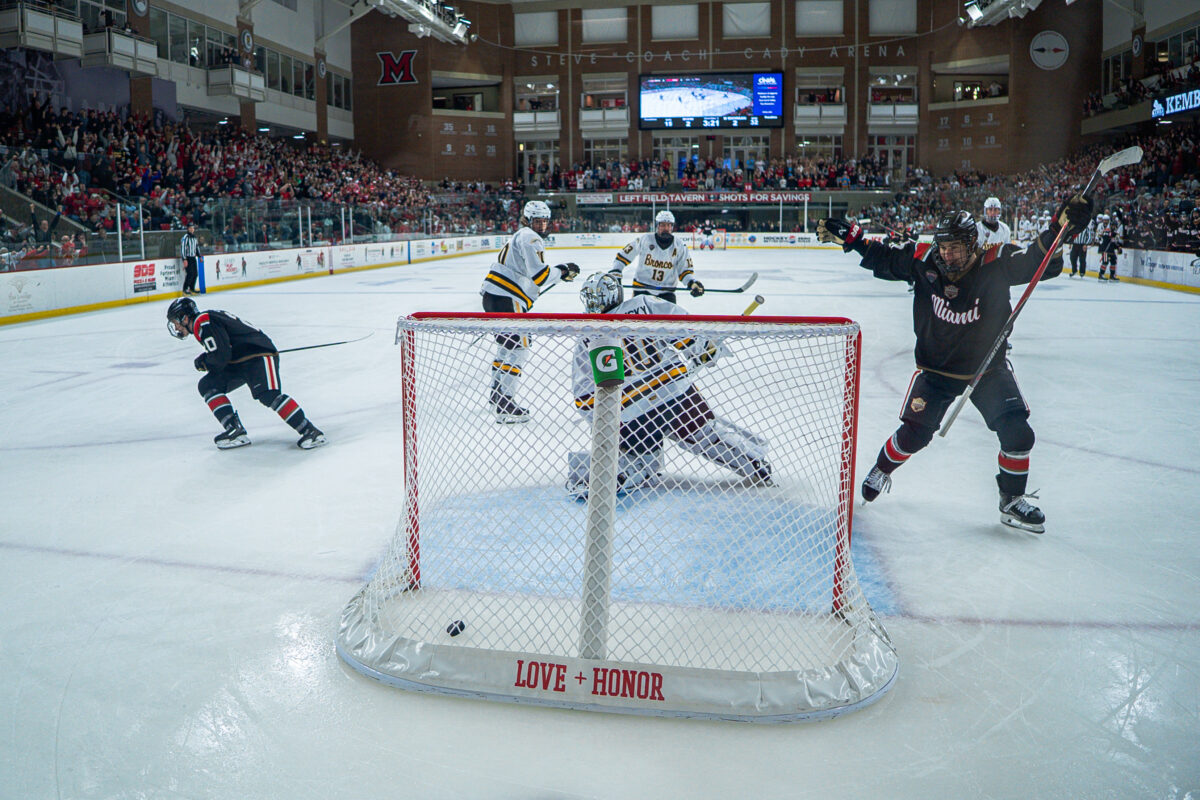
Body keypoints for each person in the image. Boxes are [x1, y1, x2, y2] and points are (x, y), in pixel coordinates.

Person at [817, 197, 1093, 534]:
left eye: (956, 249)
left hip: (986, 371)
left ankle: (1011, 501)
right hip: (937, 371)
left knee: (1018, 433)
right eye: (943, 248)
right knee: (914, 435)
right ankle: (882, 468)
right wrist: (854, 239)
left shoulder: (996, 262)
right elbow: (886, 259)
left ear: (973, 245)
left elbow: (1038, 262)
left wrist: (1059, 231)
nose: (948, 256)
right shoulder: (925, 260)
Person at [565, 272, 772, 499]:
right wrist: (703, 348)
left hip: (631, 415)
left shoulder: (587, 335)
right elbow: (682, 328)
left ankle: (627, 470)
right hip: (676, 395)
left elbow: (584, 396)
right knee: (707, 436)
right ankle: (755, 464)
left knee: (637, 461)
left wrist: (606, 428)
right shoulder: (643, 304)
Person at [166, 297, 326, 450]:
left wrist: (205, 362)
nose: (176, 327)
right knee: (208, 385)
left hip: (258, 356)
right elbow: (222, 351)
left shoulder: (203, 321)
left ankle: (311, 432)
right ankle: (235, 431)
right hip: (242, 361)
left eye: (175, 322)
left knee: (269, 395)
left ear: (184, 318)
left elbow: (221, 357)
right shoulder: (204, 322)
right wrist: (206, 359)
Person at [479, 200, 579, 422]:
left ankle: (497, 394)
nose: (542, 225)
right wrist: (563, 271)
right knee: (518, 348)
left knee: (506, 348)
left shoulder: (520, 235)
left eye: (544, 221)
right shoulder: (530, 238)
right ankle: (505, 405)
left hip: (493, 296)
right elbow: (540, 276)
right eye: (538, 221)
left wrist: (559, 273)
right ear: (527, 219)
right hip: (507, 298)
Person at [608, 210, 702, 304]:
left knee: (669, 319)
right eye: (663, 225)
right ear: (657, 225)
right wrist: (616, 270)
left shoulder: (680, 245)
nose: (666, 228)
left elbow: (685, 271)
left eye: (669, 225)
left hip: (666, 292)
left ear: (672, 227)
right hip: (642, 289)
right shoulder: (645, 239)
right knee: (638, 319)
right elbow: (623, 256)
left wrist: (692, 283)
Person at [1096, 212, 1121, 281]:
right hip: (1105, 249)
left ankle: (1112, 275)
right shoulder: (1107, 230)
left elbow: (1115, 242)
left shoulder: (1115, 233)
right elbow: (1106, 236)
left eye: (1115, 226)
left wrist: (1118, 247)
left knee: (1113, 261)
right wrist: (1112, 235)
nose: (1114, 227)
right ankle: (1101, 274)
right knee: (1105, 261)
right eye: (1113, 225)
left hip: (1111, 250)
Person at [180, 223, 201, 295]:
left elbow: (196, 247)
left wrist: (199, 256)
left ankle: (192, 289)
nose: (192, 229)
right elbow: (183, 248)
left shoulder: (194, 237)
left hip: (193, 257)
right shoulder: (185, 237)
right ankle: (185, 289)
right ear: (188, 229)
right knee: (190, 274)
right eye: (190, 228)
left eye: (193, 228)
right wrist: (184, 259)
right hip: (188, 258)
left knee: (195, 274)